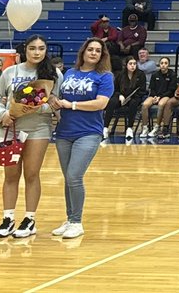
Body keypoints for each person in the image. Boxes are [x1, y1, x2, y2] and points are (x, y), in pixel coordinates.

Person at [0, 35, 63, 238]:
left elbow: (54, 104)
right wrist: (3, 114)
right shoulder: (10, 72)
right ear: (26, 50)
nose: (37, 52)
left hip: (38, 129)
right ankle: (8, 218)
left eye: (41, 48)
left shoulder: (54, 74)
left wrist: (34, 108)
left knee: (31, 173)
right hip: (10, 129)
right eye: (32, 48)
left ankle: (30, 219)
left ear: (46, 50)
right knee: (10, 175)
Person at [50, 38, 113, 239]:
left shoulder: (105, 76)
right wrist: (56, 107)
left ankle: (77, 222)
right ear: (83, 52)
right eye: (90, 49)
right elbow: (60, 99)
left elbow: (101, 104)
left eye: (98, 50)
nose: (93, 53)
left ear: (102, 55)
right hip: (64, 132)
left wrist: (73, 106)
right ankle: (69, 219)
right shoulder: (69, 73)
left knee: (74, 176)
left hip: (89, 132)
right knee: (68, 178)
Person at [105, 56, 146, 140]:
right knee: (112, 101)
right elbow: (115, 89)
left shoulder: (141, 75)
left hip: (134, 98)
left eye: (134, 64)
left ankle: (129, 128)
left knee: (133, 103)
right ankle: (105, 128)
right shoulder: (120, 74)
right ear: (126, 65)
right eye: (130, 64)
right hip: (121, 97)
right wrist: (120, 95)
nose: (132, 66)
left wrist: (131, 97)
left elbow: (142, 90)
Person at [139, 57, 174, 138]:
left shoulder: (172, 74)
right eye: (162, 63)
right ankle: (145, 127)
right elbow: (152, 88)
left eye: (165, 63)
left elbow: (171, 90)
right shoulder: (155, 75)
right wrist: (155, 96)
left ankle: (157, 127)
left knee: (161, 104)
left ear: (168, 65)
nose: (163, 65)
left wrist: (160, 97)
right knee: (144, 105)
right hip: (155, 95)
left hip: (166, 95)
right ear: (159, 64)